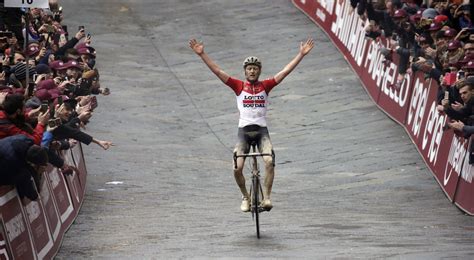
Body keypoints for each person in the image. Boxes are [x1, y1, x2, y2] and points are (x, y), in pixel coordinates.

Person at [189, 37, 314, 212]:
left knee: (269, 161)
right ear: (245, 72)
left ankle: (267, 197)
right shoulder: (238, 86)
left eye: (255, 68)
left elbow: (285, 72)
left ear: (259, 71)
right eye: (249, 69)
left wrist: (300, 55)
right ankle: (245, 197)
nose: (252, 71)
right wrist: (202, 54)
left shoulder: (266, 86)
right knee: (236, 168)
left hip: (262, 131)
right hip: (244, 132)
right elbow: (218, 71)